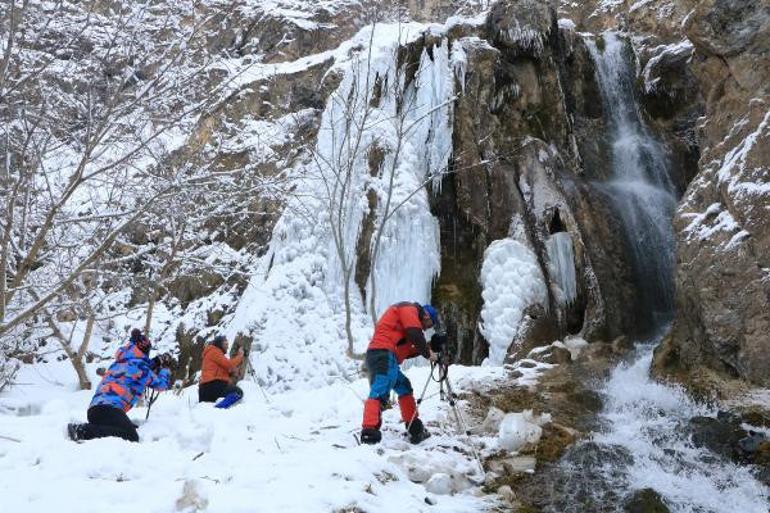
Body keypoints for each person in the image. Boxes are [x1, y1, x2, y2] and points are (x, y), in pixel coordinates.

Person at [67, 328, 171, 442]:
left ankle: (96, 429)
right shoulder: (141, 368)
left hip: (94, 410)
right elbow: (161, 385)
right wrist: (165, 369)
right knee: (131, 436)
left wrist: (156, 361)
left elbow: (137, 369)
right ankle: (81, 431)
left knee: (126, 429)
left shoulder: (120, 362)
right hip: (110, 410)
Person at [360, 302, 439, 445]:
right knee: (380, 389)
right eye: (429, 324)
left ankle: (414, 428)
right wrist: (428, 354)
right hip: (382, 353)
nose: (426, 329)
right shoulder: (408, 308)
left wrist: (431, 346)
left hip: (387, 357)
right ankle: (369, 432)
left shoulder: (408, 328)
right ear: (426, 315)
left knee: (404, 386)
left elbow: (409, 350)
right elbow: (415, 334)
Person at [198, 335, 244, 408]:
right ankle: (219, 409)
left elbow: (221, 370)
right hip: (212, 385)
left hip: (206, 388)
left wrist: (231, 373)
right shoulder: (214, 351)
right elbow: (229, 364)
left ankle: (217, 409)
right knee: (238, 392)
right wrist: (240, 356)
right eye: (225, 344)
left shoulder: (213, 353)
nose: (227, 347)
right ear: (219, 343)